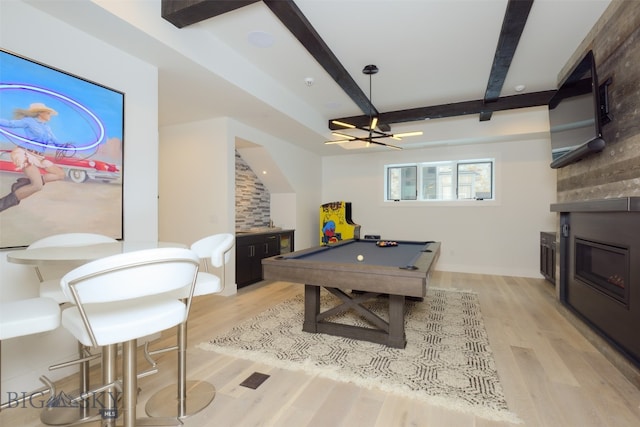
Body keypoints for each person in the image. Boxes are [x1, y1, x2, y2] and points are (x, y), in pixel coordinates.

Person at [0, 103, 66, 212]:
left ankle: (25, 183)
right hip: (26, 153)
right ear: (40, 113)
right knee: (37, 186)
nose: (50, 115)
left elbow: (56, 142)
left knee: (60, 174)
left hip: (39, 157)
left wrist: (65, 146)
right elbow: (10, 124)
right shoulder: (29, 121)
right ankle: (2, 204)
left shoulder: (47, 128)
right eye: (48, 113)